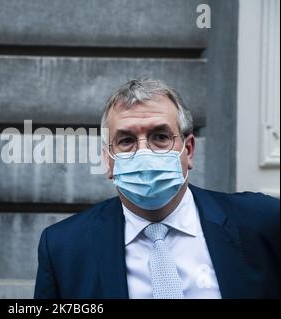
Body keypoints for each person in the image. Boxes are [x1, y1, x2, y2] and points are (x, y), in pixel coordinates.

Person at [34, 78, 279, 299]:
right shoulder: (63, 247)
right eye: (126, 141)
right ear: (108, 160)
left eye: (160, 137)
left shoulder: (262, 221)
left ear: (189, 150)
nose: (144, 152)